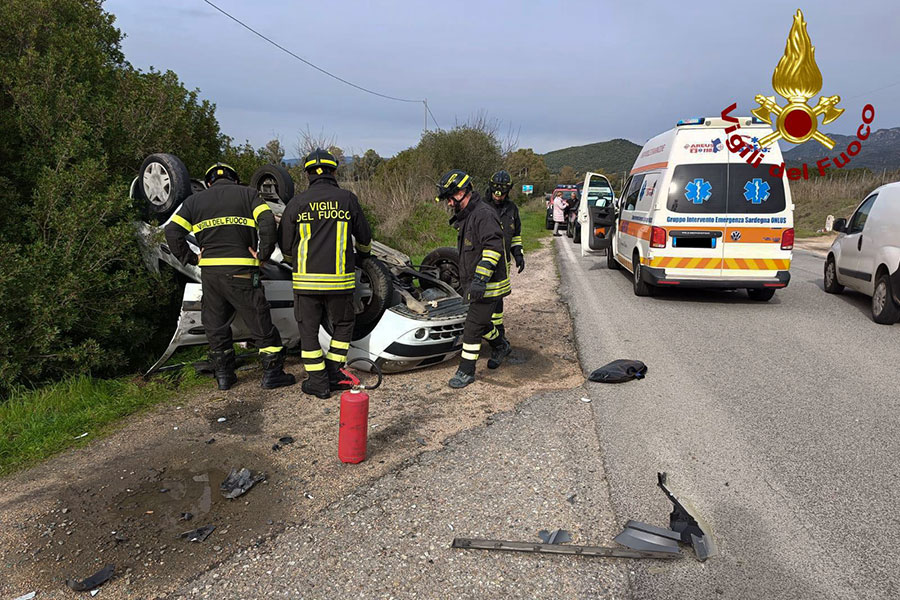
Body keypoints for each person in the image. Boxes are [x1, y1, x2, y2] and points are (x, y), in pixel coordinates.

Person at [164, 163, 296, 391]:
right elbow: (266, 221)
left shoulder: (195, 201)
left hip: (211, 275)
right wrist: (263, 254)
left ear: (209, 183)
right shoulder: (248, 194)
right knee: (260, 322)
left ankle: (225, 377)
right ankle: (272, 374)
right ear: (235, 180)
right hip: (243, 271)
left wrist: (192, 258)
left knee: (216, 325)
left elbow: (172, 231)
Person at [279, 148, 373, 399]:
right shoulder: (347, 199)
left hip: (305, 284)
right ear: (333, 171)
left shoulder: (297, 203)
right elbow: (364, 238)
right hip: (340, 283)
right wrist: (363, 257)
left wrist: (293, 263)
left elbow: (286, 246)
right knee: (343, 325)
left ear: (309, 174)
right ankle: (334, 371)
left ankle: (318, 382)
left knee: (308, 331)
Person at [436, 169, 511, 389]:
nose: (449, 203)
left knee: (472, 327)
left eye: (451, 198)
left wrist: (479, 279)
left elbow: (493, 248)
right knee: (482, 322)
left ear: (462, 192)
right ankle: (501, 345)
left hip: (488, 285)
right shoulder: (470, 214)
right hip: (478, 284)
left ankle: (466, 371)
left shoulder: (483, 214)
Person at [484, 170, 524, 366]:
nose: (498, 195)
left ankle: (498, 342)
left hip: (503, 264)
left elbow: (515, 234)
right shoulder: (481, 208)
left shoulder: (512, 209)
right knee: (482, 304)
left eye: (502, 192)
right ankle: (490, 337)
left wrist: (518, 254)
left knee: (497, 303)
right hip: (482, 263)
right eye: (495, 191)